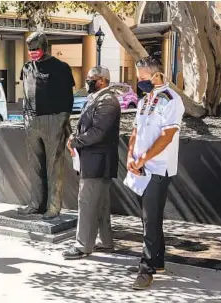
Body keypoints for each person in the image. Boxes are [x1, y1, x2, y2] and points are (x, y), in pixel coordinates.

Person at [125, 56, 185, 290]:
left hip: (158, 168)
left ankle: (147, 267)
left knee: (151, 219)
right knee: (148, 218)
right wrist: (131, 156)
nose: (139, 82)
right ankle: (156, 261)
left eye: (143, 78)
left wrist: (143, 159)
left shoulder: (172, 100)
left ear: (156, 75)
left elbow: (167, 136)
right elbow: (135, 131)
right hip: (140, 168)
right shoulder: (144, 100)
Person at [62, 66, 121, 260]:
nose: (88, 82)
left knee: (86, 203)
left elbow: (98, 132)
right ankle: (105, 242)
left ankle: (82, 246)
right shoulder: (95, 98)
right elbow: (84, 126)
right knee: (100, 204)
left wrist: (75, 142)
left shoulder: (108, 101)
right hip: (92, 160)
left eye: (91, 78)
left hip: (98, 161)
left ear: (102, 80)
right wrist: (73, 137)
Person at [18, 31, 75, 220]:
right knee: (35, 166)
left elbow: (68, 99)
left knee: (53, 166)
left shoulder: (61, 68)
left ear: (44, 47)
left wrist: (61, 121)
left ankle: (53, 206)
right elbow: (26, 95)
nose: (32, 52)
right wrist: (25, 117)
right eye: (30, 49)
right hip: (31, 121)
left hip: (54, 119)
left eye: (35, 49)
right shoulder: (26, 68)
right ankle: (35, 204)